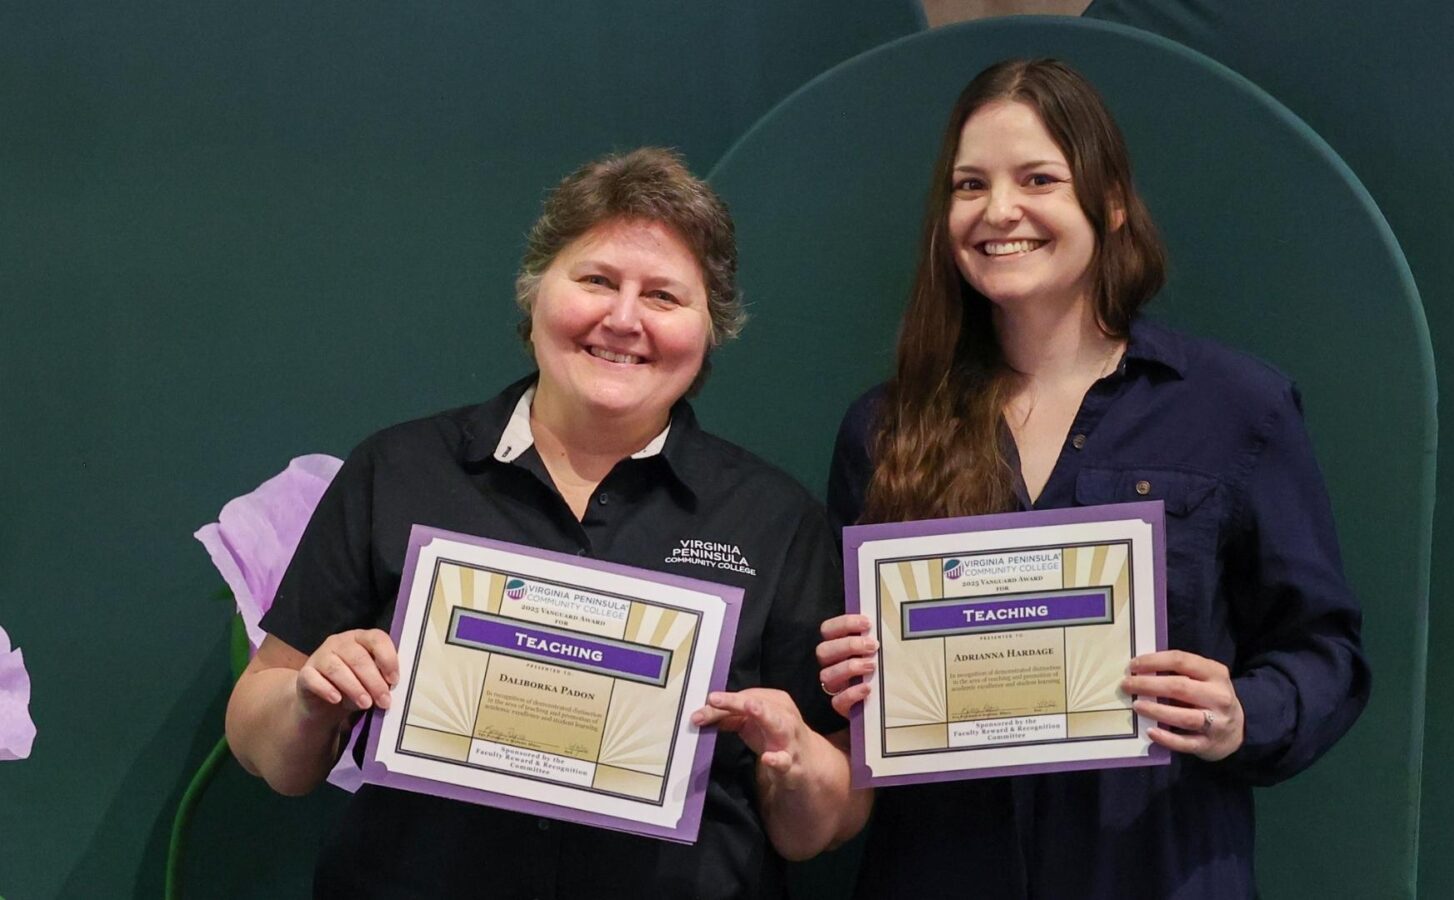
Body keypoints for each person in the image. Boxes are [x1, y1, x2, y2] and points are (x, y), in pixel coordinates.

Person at [225, 147, 868, 898]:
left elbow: (822, 822)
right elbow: (260, 735)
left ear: (710, 330)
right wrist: (307, 696)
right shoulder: (398, 471)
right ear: (535, 295)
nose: (623, 319)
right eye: (596, 280)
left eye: (664, 296)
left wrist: (796, 758)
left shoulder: (774, 519)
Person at [816, 59, 1370, 898]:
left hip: (1158, 867)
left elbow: (1327, 650)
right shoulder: (883, 428)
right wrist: (848, 678)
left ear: (1110, 203)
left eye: (1038, 178)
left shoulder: (1235, 407)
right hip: (939, 871)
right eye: (970, 185)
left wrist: (1241, 715)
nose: (999, 211)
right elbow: (845, 695)